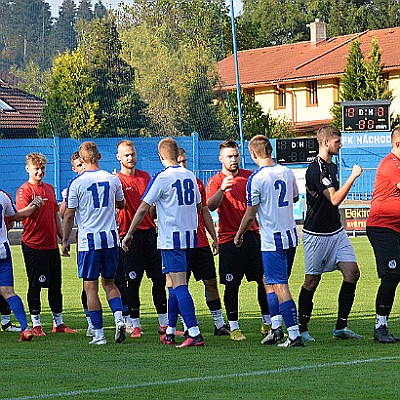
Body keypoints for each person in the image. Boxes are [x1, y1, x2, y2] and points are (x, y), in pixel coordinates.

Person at [122, 137, 204, 348]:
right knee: (171, 284)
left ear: (160, 157)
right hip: (189, 237)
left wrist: (129, 233)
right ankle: (169, 330)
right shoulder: (190, 176)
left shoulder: (162, 177)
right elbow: (197, 206)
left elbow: (143, 207)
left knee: (179, 284)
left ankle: (193, 331)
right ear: (177, 154)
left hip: (171, 239)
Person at [234, 135, 303, 347]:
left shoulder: (256, 179)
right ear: (270, 150)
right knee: (268, 280)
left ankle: (294, 334)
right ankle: (275, 328)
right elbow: (294, 198)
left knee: (280, 285)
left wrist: (239, 234)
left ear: (253, 154)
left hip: (273, 240)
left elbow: (250, 213)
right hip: (291, 236)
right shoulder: (287, 171)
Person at [298, 125, 364, 342]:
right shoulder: (315, 169)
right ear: (326, 143)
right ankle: (302, 328)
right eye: (337, 141)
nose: (340, 145)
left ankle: (341, 327)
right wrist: (353, 177)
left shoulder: (332, 166)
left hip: (336, 232)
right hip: (316, 235)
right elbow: (334, 199)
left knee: (352, 272)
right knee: (311, 282)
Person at [62, 141, 126, 345]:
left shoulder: (76, 183)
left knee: (90, 287)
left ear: (81, 160)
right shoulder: (112, 178)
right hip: (110, 239)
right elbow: (122, 204)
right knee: (110, 283)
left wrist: (64, 240)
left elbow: (69, 215)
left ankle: (98, 333)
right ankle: (119, 319)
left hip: (88, 242)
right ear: (99, 156)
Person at [206, 139, 270, 341]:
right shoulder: (216, 181)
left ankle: (267, 322)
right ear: (221, 159)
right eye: (229, 156)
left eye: (236, 155)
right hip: (228, 239)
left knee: (263, 280)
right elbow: (210, 206)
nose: (233, 159)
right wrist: (222, 190)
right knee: (232, 285)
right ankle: (233, 326)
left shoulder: (249, 177)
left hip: (252, 236)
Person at [16, 153, 77, 336]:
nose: (40, 172)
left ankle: (58, 322)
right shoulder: (24, 190)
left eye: (42, 168)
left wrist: (63, 239)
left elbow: (55, 217)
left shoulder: (50, 189)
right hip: (34, 245)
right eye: (36, 168)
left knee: (55, 285)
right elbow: (21, 215)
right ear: (28, 168)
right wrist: (33, 206)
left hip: (51, 246)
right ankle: (36, 324)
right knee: (36, 284)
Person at [115, 139, 168, 338]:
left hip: (149, 234)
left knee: (159, 280)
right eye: (126, 155)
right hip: (129, 237)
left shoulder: (146, 177)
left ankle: (163, 323)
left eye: (133, 154)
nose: (130, 158)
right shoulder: (116, 180)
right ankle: (134, 324)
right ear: (118, 157)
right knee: (132, 282)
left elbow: (152, 207)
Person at [177, 147, 229, 336]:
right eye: (179, 161)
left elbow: (205, 211)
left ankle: (219, 323)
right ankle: (186, 325)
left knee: (211, 282)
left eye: (184, 161)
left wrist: (213, 237)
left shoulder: (196, 183)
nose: (183, 165)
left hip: (200, 243)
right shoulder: (166, 182)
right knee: (180, 285)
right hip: (179, 244)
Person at [367, 126, 400, 343]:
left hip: (396, 228)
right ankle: (380, 325)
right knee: (392, 274)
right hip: (382, 227)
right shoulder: (391, 164)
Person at [0, 190, 44, 342]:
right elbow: (15, 217)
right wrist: (32, 207)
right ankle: (25, 328)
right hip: (2, 250)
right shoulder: (2, 196)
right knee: (8, 292)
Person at [59, 152, 94, 337]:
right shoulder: (74, 186)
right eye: (78, 165)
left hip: (104, 238)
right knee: (87, 283)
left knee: (113, 280)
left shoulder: (99, 180)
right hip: (85, 241)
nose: (82, 168)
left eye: (83, 164)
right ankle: (91, 321)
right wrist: (67, 197)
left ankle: (124, 320)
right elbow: (64, 212)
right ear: (74, 169)